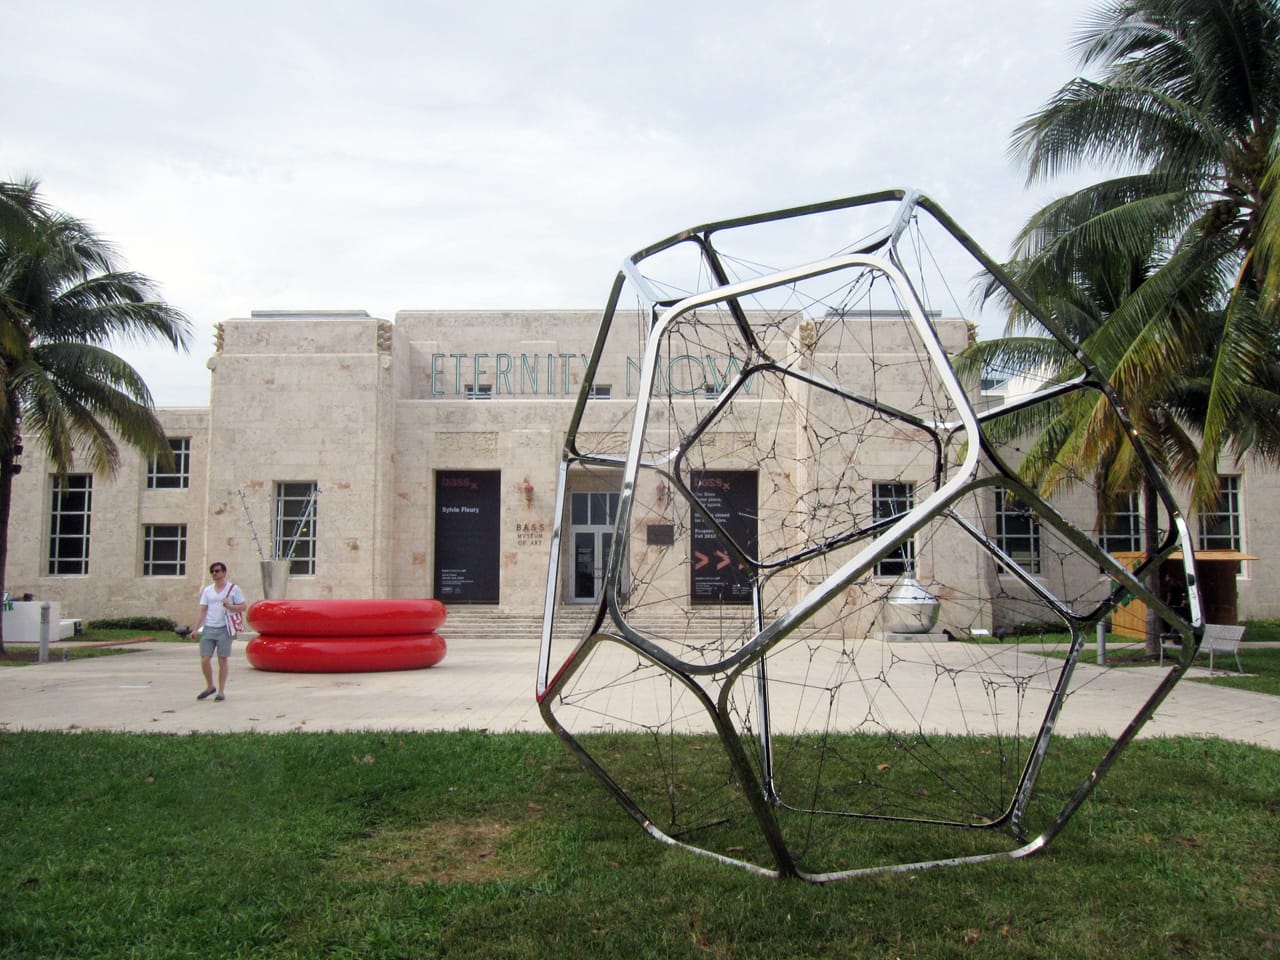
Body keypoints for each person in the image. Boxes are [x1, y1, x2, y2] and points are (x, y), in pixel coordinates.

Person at [191, 562, 247, 702]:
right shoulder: (208, 590)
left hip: (224, 628)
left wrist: (229, 606)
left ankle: (221, 691)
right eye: (212, 572)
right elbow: (203, 610)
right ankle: (210, 686)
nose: (214, 574)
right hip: (209, 628)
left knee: (222, 660)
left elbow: (243, 606)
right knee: (205, 659)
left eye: (217, 571)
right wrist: (196, 628)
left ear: (224, 572)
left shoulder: (233, 589)